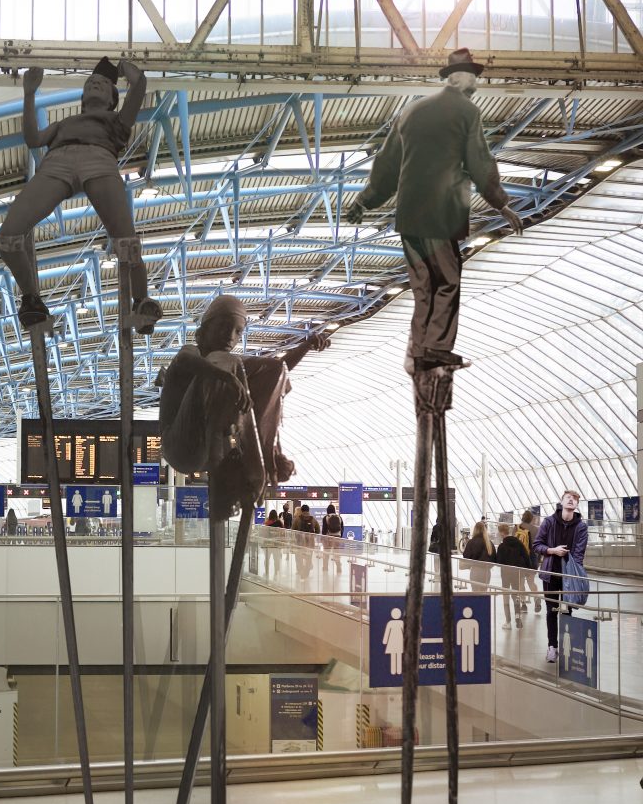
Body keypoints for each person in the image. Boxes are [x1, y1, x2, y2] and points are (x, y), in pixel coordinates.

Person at [342, 47, 524, 373]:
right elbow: (480, 162)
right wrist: (502, 204)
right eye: (474, 75)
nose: (477, 82)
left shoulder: (411, 111)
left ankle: (421, 351)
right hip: (441, 214)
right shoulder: (466, 112)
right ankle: (437, 349)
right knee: (448, 281)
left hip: (409, 218)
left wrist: (365, 201)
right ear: (460, 77)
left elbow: (387, 165)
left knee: (423, 287)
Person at [0, 58, 163, 332]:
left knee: (127, 240)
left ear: (113, 98)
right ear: (82, 97)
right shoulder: (65, 123)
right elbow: (33, 139)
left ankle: (141, 299)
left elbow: (139, 85)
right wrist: (29, 94)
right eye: (90, 84)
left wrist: (125, 68)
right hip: (56, 162)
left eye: (102, 84)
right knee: (8, 235)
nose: (95, 83)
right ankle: (30, 298)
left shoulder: (117, 121)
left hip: (100, 158)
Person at [158, 295, 328, 519]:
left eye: (238, 332)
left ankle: (265, 456)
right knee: (223, 361)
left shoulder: (230, 367)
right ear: (203, 332)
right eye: (223, 328)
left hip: (210, 447)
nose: (230, 337)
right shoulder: (192, 353)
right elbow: (184, 360)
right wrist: (228, 379)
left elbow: (278, 370)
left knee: (272, 370)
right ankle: (254, 462)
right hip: (181, 448)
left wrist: (305, 346)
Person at [533, 489, 588, 663]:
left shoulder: (581, 527)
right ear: (561, 502)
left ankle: (566, 647)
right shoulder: (549, 522)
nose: (571, 500)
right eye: (568, 498)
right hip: (550, 574)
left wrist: (572, 572)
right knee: (551, 611)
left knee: (567, 610)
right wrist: (552, 550)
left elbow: (579, 554)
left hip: (568, 576)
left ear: (577, 505)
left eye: (575, 499)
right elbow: (537, 545)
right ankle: (552, 647)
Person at [495, 521, 530, 629]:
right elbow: (526, 556)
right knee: (516, 596)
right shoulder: (518, 543)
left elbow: (498, 562)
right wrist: (527, 571)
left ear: (501, 533)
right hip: (517, 573)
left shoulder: (501, 547)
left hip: (505, 574)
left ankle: (508, 622)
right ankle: (518, 618)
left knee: (506, 597)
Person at [517, 509, 542, 612]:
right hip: (532, 559)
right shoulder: (536, 530)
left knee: (520, 583)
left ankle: (523, 605)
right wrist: (538, 560)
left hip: (520, 560)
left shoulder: (517, 528)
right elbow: (539, 546)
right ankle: (537, 599)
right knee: (531, 582)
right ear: (531, 519)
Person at [461, 519, 495, 590]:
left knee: (475, 594)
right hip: (486, 571)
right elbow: (494, 558)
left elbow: (466, 556)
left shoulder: (471, 542)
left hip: (475, 570)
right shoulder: (489, 543)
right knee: (484, 594)